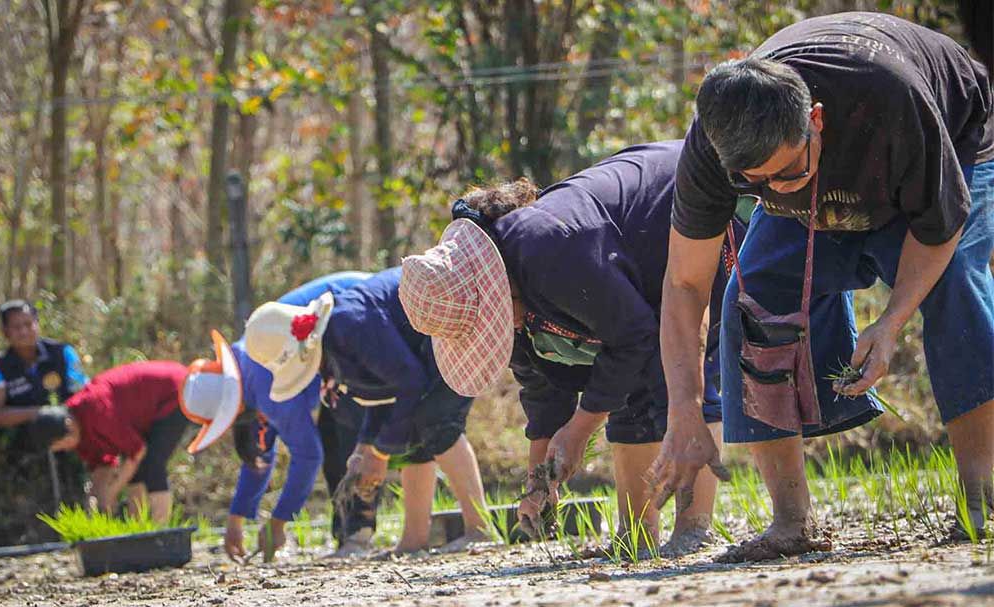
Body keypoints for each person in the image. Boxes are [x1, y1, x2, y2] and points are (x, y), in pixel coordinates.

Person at [651, 12, 994, 562]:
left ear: (814, 120)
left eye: (785, 173)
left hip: (953, 139)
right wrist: (685, 411)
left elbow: (939, 225)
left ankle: (982, 498)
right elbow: (685, 282)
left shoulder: (891, 98)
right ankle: (790, 522)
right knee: (752, 294)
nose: (771, 189)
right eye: (753, 183)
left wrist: (890, 322)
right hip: (849, 154)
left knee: (955, 284)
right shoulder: (714, 147)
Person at [399, 142, 742, 556]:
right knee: (625, 392)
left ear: (497, 288)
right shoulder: (509, 296)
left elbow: (634, 334)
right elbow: (542, 388)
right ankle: (637, 535)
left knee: (680, 374)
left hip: (686, 207)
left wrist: (579, 430)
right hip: (637, 279)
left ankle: (693, 526)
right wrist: (539, 480)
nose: (501, 328)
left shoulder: (549, 248)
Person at [244, 268, 490, 554]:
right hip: (427, 347)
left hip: (453, 316)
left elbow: (409, 381)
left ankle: (479, 530)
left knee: (436, 420)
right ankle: (414, 540)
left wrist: (379, 452)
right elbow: (384, 393)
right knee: (413, 431)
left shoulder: (348, 324)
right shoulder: (334, 342)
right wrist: (365, 447)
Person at [213, 271, 378, 562]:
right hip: (345, 331)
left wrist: (279, 522)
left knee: (343, 434)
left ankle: (357, 533)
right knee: (332, 435)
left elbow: (306, 455)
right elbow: (259, 453)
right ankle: (347, 533)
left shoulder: (261, 379)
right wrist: (236, 519)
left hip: (359, 320)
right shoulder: (245, 369)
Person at [34, 360, 222, 522]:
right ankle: (137, 531)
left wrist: (112, 492)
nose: (66, 448)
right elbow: (102, 467)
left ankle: (159, 532)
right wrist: (96, 501)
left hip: (176, 389)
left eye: (62, 444)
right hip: (148, 408)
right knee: (136, 471)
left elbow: (137, 451)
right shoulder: (78, 430)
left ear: (68, 426)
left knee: (151, 464)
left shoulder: (96, 411)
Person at [0, 299, 88, 453]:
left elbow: (84, 395)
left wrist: (72, 425)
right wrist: (40, 413)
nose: (24, 331)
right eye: (17, 327)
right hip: (21, 444)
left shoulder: (63, 353)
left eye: (28, 324)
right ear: (6, 332)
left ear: (37, 324)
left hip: (71, 431)